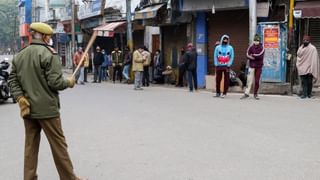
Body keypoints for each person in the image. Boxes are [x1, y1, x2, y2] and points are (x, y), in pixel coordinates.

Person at [8, 22, 86, 180]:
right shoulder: (49, 54)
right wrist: (69, 82)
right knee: (59, 146)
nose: (50, 38)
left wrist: (20, 98)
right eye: (49, 36)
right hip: (47, 110)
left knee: (30, 146)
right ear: (44, 36)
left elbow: (12, 81)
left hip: (28, 109)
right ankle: (69, 178)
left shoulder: (20, 55)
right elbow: (55, 83)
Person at [241, 34, 265, 100]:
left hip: (259, 67)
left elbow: (260, 56)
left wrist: (252, 55)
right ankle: (246, 93)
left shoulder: (262, 48)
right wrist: (252, 57)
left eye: (257, 40)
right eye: (255, 40)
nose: (256, 41)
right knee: (249, 80)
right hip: (251, 66)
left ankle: (255, 94)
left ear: (259, 41)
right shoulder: (251, 47)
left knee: (257, 81)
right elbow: (247, 55)